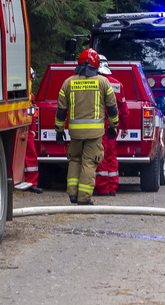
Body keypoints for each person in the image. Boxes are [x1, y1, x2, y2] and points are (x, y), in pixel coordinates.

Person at [55, 48, 119, 205]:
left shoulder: (68, 83)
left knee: (74, 160)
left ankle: (72, 194)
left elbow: (61, 110)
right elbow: (112, 108)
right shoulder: (103, 82)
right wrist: (113, 126)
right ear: (96, 64)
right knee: (89, 163)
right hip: (95, 133)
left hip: (75, 133)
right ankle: (84, 198)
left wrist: (59, 130)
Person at [95, 55, 130, 197]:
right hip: (113, 126)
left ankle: (103, 188)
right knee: (111, 156)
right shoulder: (118, 85)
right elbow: (124, 110)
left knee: (100, 156)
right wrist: (125, 128)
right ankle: (112, 187)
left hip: (99, 126)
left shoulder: (94, 83)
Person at [24, 67, 43, 194]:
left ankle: (31, 183)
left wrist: (33, 129)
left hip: (27, 130)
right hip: (23, 129)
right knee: (30, 156)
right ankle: (30, 183)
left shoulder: (29, 95)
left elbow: (33, 114)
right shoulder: (26, 94)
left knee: (31, 156)